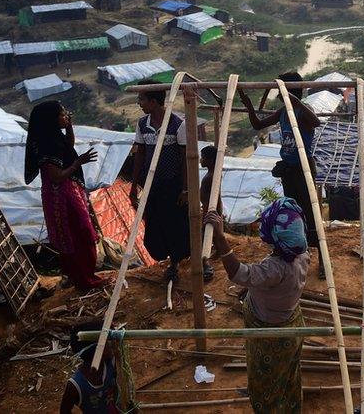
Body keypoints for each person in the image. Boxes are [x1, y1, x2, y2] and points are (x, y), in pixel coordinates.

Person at [206, 198, 309, 413]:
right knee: (286, 375)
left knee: (266, 380)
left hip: (270, 334)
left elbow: (238, 273)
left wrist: (220, 237)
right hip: (291, 327)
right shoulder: (302, 255)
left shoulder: (275, 269)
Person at [238, 71, 324, 278]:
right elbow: (258, 125)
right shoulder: (283, 112)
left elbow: (316, 122)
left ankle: (322, 260)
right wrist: (249, 105)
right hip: (289, 168)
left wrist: (297, 103)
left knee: (311, 213)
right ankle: (296, 251)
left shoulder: (303, 111)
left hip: (303, 168)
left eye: (282, 90)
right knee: (292, 211)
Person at [130, 80, 210, 282]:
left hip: (173, 185)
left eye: (142, 99)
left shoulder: (177, 125)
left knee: (179, 226)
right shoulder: (143, 124)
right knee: (156, 226)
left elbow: (185, 159)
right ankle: (169, 262)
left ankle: (188, 263)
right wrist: (133, 186)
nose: (139, 103)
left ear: (154, 102)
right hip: (151, 185)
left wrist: (185, 189)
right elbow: (139, 154)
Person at [24, 101, 106, 292]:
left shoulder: (54, 137)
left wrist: (69, 127)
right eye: (62, 115)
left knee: (81, 233)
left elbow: (67, 146)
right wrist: (78, 162)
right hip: (61, 197)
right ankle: (84, 280)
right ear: (51, 120)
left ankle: (86, 277)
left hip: (68, 193)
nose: (66, 117)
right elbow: (56, 176)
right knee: (77, 235)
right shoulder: (47, 144)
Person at [59, 321, 122, 414]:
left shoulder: (111, 364)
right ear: (97, 350)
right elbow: (64, 411)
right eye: (106, 342)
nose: (110, 344)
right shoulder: (76, 386)